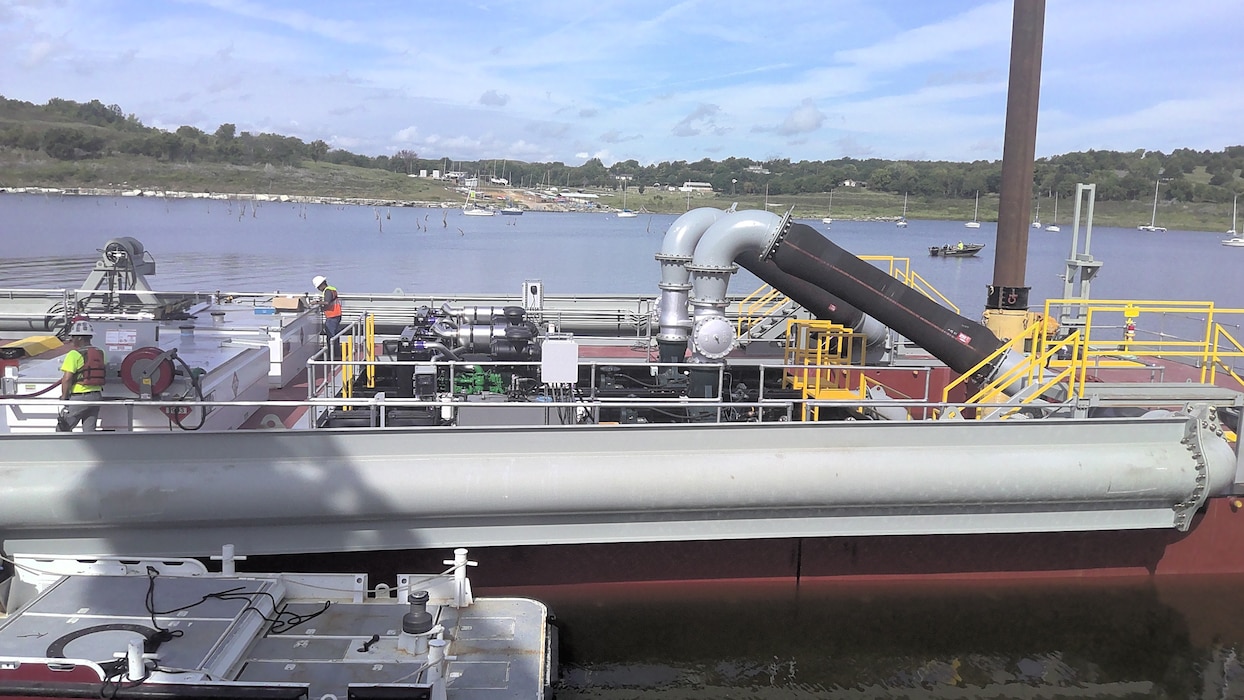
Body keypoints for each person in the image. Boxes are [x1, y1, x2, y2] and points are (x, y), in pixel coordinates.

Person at [57, 320, 107, 432]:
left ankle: (59, 449)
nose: (72, 340)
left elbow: (67, 378)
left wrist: (64, 397)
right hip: (96, 397)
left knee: (62, 429)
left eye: (73, 337)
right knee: (89, 431)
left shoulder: (74, 354)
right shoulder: (101, 352)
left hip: (80, 398)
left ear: (79, 338)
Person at [313, 275, 342, 357]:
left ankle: (332, 355)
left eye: (318, 287)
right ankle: (336, 354)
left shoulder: (327, 291)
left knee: (331, 336)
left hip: (332, 316)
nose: (319, 289)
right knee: (335, 336)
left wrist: (317, 303)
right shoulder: (332, 289)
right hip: (336, 314)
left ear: (321, 285)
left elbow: (327, 302)